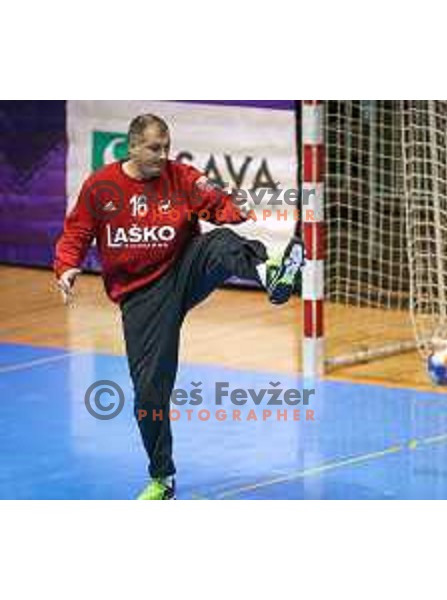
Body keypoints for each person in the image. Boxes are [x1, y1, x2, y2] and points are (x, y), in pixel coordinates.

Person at [54, 114, 304, 499]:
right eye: (155, 148)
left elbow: (215, 202)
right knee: (149, 392)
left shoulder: (181, 176)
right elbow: (77, 231)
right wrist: (67, 265)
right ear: (132, 146)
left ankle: (268, 274)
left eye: (167, 146)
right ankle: (162, 477)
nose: (162, 154)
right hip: (141, 297)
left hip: (182, 269)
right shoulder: (100, 186)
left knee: (220, 242)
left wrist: (239, 209)